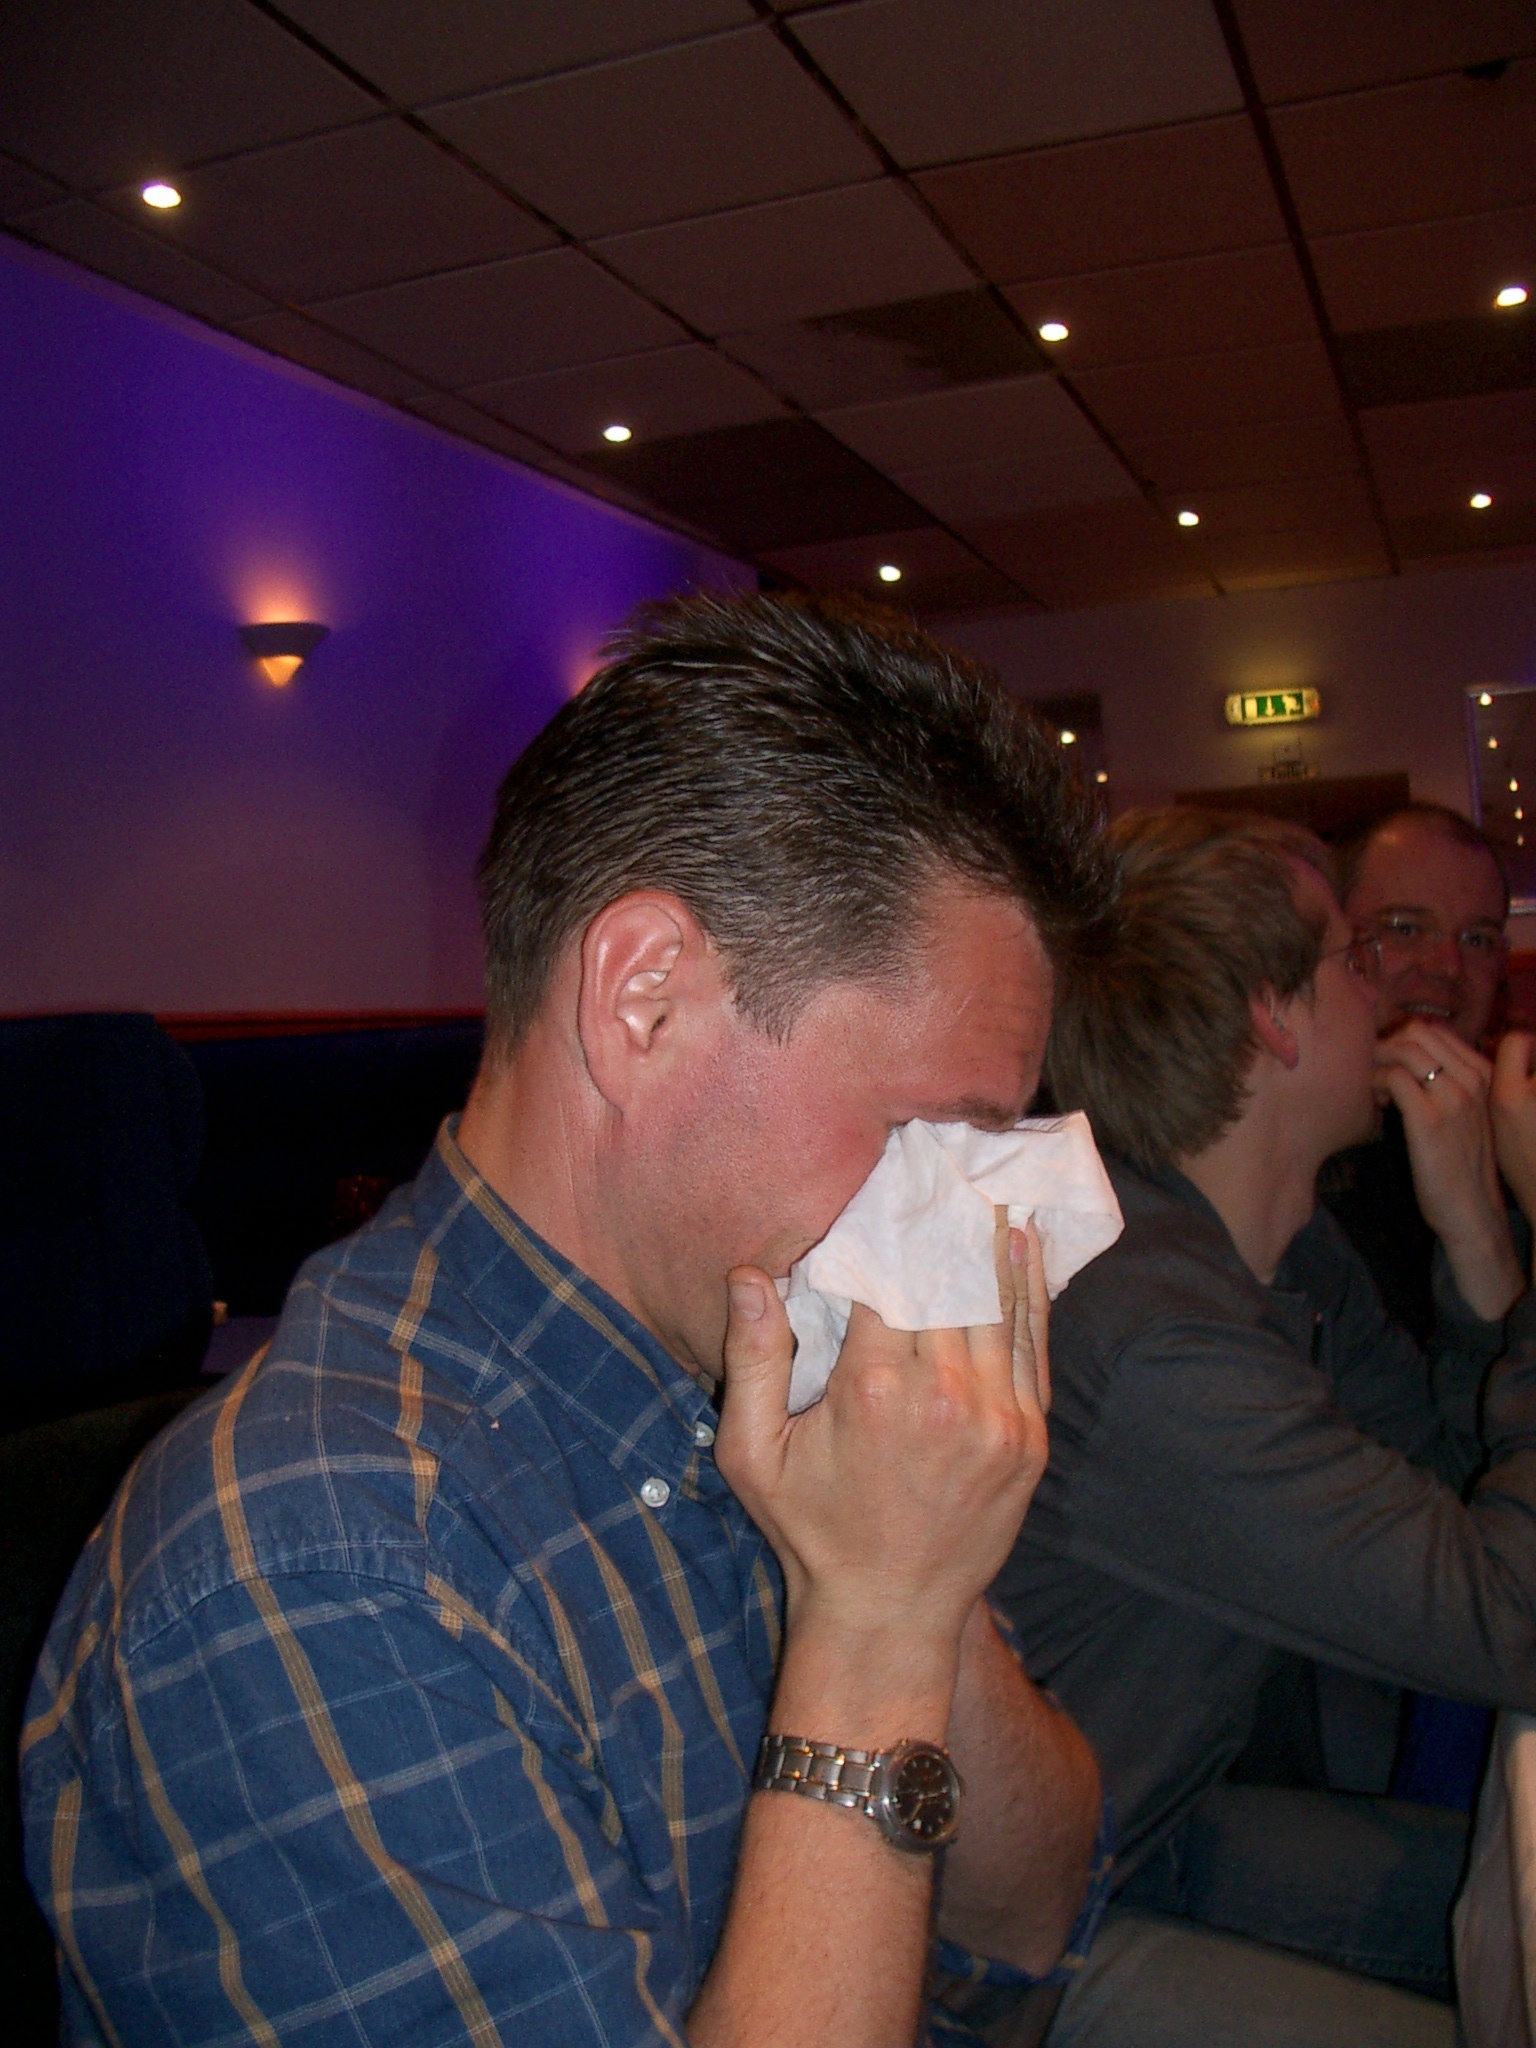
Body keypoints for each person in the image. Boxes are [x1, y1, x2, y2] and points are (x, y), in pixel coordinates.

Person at [22, 595, 1111, 2048]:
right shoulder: (318, 1571)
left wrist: (927, 1589)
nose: (970, 1218)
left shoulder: (773, 1361)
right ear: (644, 1000)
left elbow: (1031, 1923)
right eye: (933, 1133)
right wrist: (874, 1624)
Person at [993, 805, 1536, 2048]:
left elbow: (1455, 1486)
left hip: (1147, 1821)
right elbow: (1511, 1619)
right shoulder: (1152, 1332)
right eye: (1352, 954)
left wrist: (1477, 1238)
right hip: (1001, 1945)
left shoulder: (1279, 1244)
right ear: (1271, 1014)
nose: (1387, 988)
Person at [1323, 802, 1516, 1349]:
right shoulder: (1287, 1144)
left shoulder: (1518, 1138)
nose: (1447, 967)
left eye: (1477, 939)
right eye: (1406, 928)